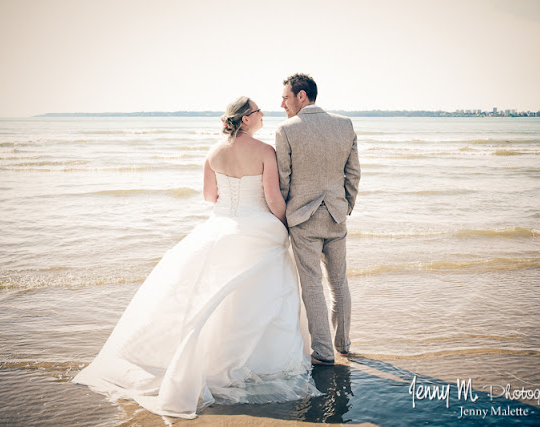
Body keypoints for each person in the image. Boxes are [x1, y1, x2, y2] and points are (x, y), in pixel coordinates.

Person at [72, 96, 319, 419]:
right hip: (257, 226)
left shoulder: (214, 152)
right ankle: (257, 360)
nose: (263, 116)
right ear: (245, 119)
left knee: (209, 293)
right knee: (260, 295)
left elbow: (209, 196)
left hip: (220, 226)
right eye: (258, 112)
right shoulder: (264, 152)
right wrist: (288, 225)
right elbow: (273, 199)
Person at [275, 73, 361, 366]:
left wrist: (288, 211)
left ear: (301, 96)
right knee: (339, 282)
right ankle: (344, 344)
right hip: (337, 216)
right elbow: (353, 174)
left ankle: (323, 352)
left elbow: (284, 178)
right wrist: (345, 205)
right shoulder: (345, 125)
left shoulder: (286, 130)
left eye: (286, 97)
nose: (282, 103)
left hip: (303, 219)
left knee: (312, 285)